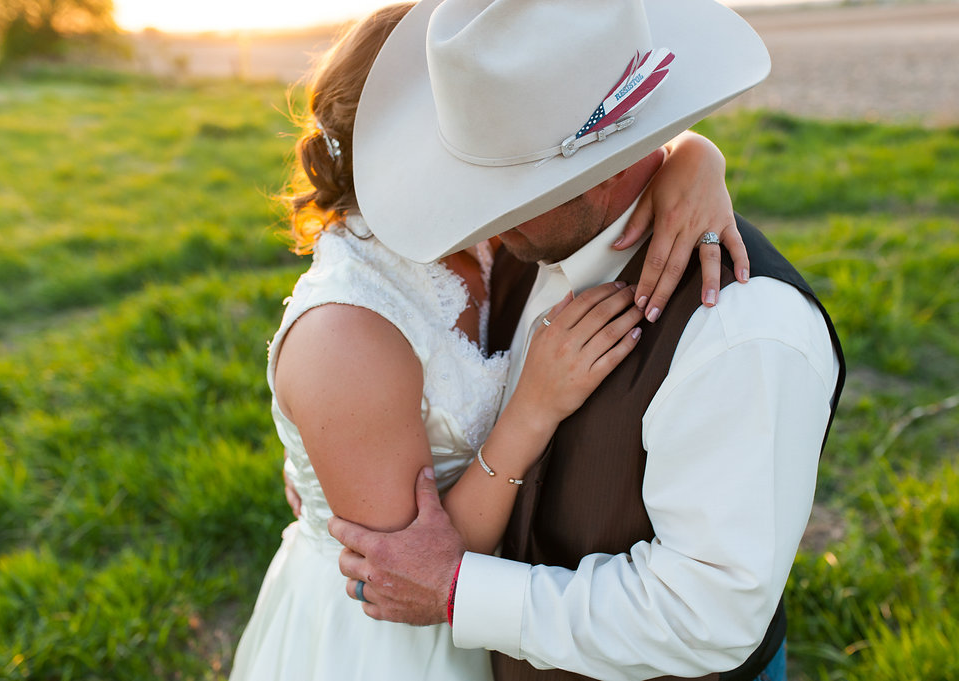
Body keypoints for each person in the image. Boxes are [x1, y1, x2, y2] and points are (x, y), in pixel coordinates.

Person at [326, 1, 847, 681]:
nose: (478, 215)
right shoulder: (518, 238)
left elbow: (709, 615)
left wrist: (458, 591)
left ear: (600, 169)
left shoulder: (743, 334)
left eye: (508, 189)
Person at [229, 3, 750, 680]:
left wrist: (694, 159)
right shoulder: (347, 334)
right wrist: (532, 407)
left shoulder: (477, 224)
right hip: (389, 642)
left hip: (487, 620)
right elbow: (411, 570)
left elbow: (582, 159)